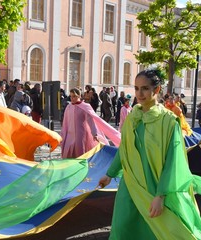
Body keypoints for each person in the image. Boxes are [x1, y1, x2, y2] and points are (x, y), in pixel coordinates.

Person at [98, 69, 201, 239]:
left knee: (155, 231)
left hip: (156, 186)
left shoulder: (168, 121)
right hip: (130, 185)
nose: (140, 93)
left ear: (157, 90)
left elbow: (173, 161)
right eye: (136, 88)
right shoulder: (133, 117)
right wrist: (109, 174)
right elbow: (125, 149)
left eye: (145, 88)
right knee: (123, 227)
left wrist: (160, 195)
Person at [61, 88, 121, 159]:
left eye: (74, 96)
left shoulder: (85, 106)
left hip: (81, 135)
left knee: (80, 154)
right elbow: (65, 123)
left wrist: (94, 133)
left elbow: (91, 121)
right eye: (70, 96)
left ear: (79, 96)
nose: (72, 98)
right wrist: (63, 135)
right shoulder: (69, 107)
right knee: (69, 154)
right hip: (70, 136)